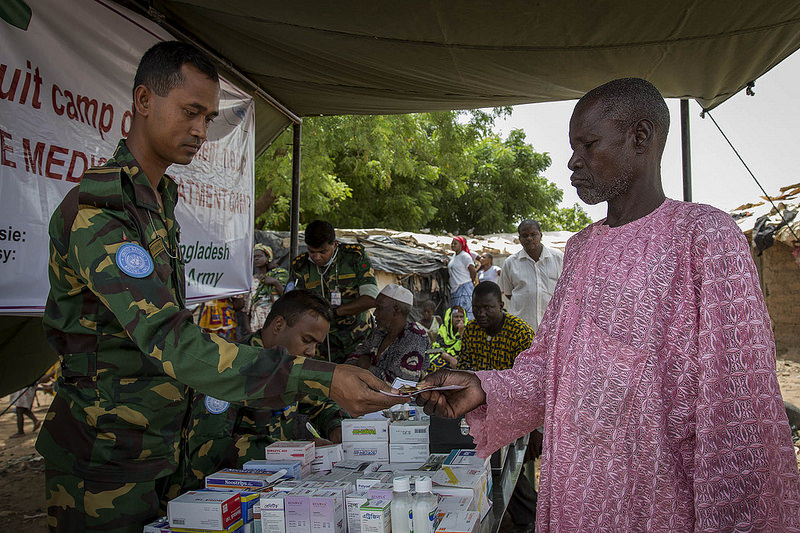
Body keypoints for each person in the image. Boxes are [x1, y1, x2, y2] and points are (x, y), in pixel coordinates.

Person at [36, 41, 404, 532]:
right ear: (143, 101)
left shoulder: (157, 202)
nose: (200, 131)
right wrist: (319, 376)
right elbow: (172, 341)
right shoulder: (102, 212)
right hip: (102, 458)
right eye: (191, 112)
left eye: (208, 118)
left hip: (157, 449)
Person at [417, 78, 800, 531]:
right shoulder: (581, 249)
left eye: (588, 143)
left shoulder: (705, 237)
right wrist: (483, 387)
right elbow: (549, 368)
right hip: (575, 498)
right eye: (572, 146)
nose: (573, 161)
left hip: (658, 502)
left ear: (640, 137)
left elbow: (739, 405)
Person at [180, 290, 347, 492]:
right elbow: (206, 452)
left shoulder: (291, 366)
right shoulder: (229, 368)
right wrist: (294, 451)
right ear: (278, 325)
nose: (311, 352)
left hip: (279, 487)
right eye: (306, 340)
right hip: (227, 496)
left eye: (316, 345)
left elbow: (321, 403)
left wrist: (335, 426)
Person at [291, 220, 379, 363]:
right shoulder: (300, 266)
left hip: (358, 341)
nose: (317, 257)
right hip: (321, 345)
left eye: (323, 251)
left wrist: (335, 312)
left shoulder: (354, 256)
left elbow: (371, 298)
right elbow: (294, 303)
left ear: (335, 244)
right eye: (312, 252)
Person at [348, 284, 431, 382]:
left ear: (396, 310)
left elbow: (401, 385)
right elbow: (352, 360)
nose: (374, 313)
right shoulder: (378, 332)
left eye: (379, 308)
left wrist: (366, 366)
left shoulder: (415, 337)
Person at [498, 220, 563, 331]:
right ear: (520, 239)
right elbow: (508, 294)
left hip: (552, 327)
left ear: (540, 235)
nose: (529, 238)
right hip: (521, 328)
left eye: (533, 234)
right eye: (525, 235)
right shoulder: (510, 263)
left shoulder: (558, 258)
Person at [458, 281, 534, 372]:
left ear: (501, 306)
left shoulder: (521, 333)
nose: (481, 314)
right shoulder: (471, 330)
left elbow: (528, 375)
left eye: (487, 308)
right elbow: (463, 367)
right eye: (476, 307)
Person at [246, 243, 289, 334]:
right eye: (254, 256)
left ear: (268, 258)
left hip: (274, 323)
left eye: (260, 256)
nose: (256, 258)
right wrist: (248, 329)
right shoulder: (251, 280)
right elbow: (246, 309)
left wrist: (275, 282)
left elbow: (285, 297)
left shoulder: (278, 275)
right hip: (256, 324)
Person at [446, 236, 477, 319]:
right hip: (455, 289)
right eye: (452, 243)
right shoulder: (454, 256)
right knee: (457, 314)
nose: (453, 245)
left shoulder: (465, 256)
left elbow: (473, 271)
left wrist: (470, 282)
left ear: (461, 245)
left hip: (464, 288)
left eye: (455, 243)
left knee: (466, 313)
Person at [429, 305, 466, 370]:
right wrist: (449, 358)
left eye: (461, 317)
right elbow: (436, 348)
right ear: (450, 318)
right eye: (456, 317)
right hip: (445, 358)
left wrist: (461, 333)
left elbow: (469, 350)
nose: (459, 319)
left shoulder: (468, 330)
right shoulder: (444, 330)